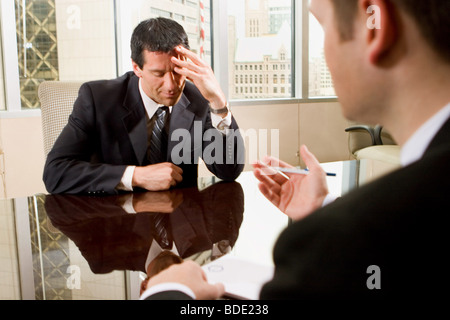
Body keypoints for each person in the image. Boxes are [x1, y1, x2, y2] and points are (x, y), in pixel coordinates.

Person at [140, 0, 450, 301]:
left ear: (375, 25)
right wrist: (324, 206)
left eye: (324, 27)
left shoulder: (347, 237)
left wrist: (170, 292)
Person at [43, 17, 244, 195]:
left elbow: (229, 171)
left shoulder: (198, 99)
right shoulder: (97, 99)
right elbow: (55, 172)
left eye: (177, 71)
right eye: (158, 74)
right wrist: (135, 176)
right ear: (137, 68)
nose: (171, 85)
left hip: (178, 223)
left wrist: (218, 101)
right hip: (116, 224)